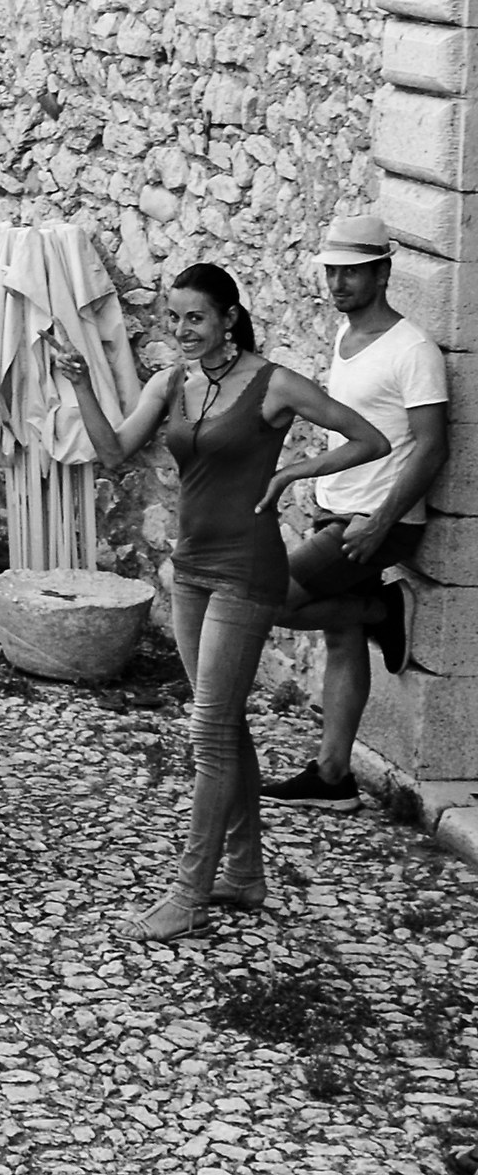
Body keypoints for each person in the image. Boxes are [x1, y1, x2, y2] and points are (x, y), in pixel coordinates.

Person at [54, 263, 387, 941]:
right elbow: (115, 450)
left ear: (228, 318)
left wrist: (296, 469)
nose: (181, 329)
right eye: (173, 317)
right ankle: (244, 874)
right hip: (192, 569)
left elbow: (371, 440)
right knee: (226, 723)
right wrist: (82, 385)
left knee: (208, 731)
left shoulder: (273, 384)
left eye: (195, 317)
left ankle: (189, 896)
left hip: (247, 569)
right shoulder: (170, 382)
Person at [262, 216, 449, 812]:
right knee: (343, 639)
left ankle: (380, 606)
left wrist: (382, 521)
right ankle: (335, 774)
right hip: (338, 509)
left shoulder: (413, 349)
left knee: (272, 596)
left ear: (383, 273)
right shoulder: (346, 338)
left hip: (376, 522)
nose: (339, 283)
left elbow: (431, 445)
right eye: (332, 271)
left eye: (353, 271)